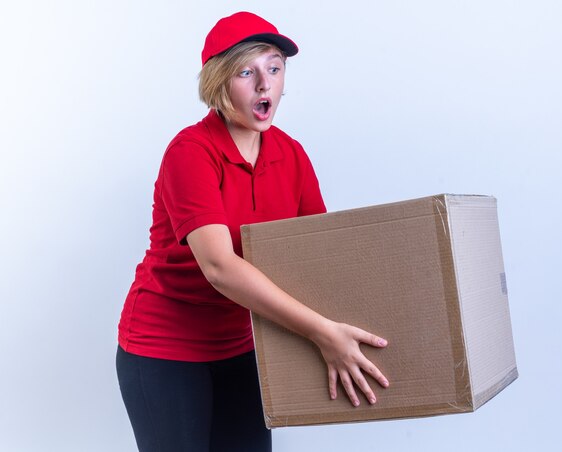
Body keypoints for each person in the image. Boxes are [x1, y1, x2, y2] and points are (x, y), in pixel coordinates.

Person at [116, 11, 389, 452]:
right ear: (218, 82)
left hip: (244, 343)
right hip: (163, 348)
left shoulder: (292, 154)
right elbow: (220, 267)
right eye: (247, 71)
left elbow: (317, 253)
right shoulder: (191, 152)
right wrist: (321, 332)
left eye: (275, 67)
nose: (266, 84)